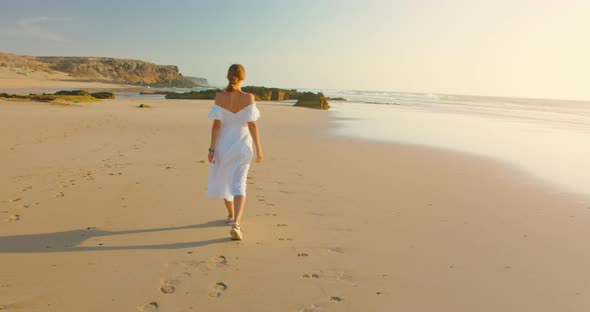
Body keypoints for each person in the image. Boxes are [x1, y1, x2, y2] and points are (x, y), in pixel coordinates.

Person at [206, 64, 263, 240]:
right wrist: (259, 149)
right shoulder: (249, 97)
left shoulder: (219, 97)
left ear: (228, 76)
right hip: (243, 146)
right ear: (243, 77)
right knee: (240, 183)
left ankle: (231, 216)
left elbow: (216, 126)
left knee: (224, 180)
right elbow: (252, 125)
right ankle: (237, 223)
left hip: (224, 145)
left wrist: (212, 149)